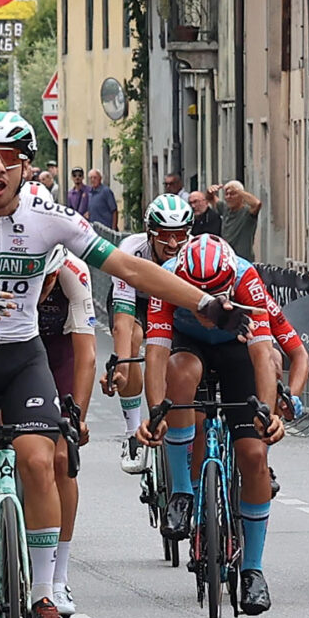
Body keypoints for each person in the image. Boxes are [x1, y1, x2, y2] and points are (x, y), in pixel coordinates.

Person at [0, 110, 251, 618]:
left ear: (25, 168)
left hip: (23, 358)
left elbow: (127, 268)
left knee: (40, 459)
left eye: (8, 161)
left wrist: (205, 303)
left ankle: (42, 592)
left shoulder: (48, 218)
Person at [137, 234, 285, 614]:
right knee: (180, 373)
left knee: (253, 456)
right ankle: (183, 492)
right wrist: (156, 412)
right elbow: (155, 354)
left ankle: (253, 570)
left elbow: (263, 355)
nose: (206, 307)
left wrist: (266, 414)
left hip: (236, 346)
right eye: (197, 297)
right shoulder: (167, 276)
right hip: (189, 345)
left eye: (216, 297)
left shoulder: (245, 278)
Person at [101, 195, 194, 474]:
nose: (173, 244)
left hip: (174, 301)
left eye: (180, 235)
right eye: (165, 236)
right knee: (131, 344)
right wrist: (121, 361)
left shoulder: (195, 251)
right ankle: (132, 434)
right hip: (137, 301)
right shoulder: (130, 250)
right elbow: (123, 320)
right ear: (150, 233)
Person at [36, 245, 96, 618]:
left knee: (61, 459)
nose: (44, 286)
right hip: (13, 347)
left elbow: (86, 356)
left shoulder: (73, 273)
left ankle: (58, 577)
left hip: (59, 349)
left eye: (49, 278)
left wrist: (78, 417)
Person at [206, 180, 262, 261]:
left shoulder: (247, 212)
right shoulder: (225, 209)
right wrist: (210, 191)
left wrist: (239, 191)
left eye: (232, 194)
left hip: (243, 261)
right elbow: (210, 198)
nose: (229, 197)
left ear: (241, 196)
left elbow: (257, 204)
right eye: (226, 194)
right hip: (226, 260)